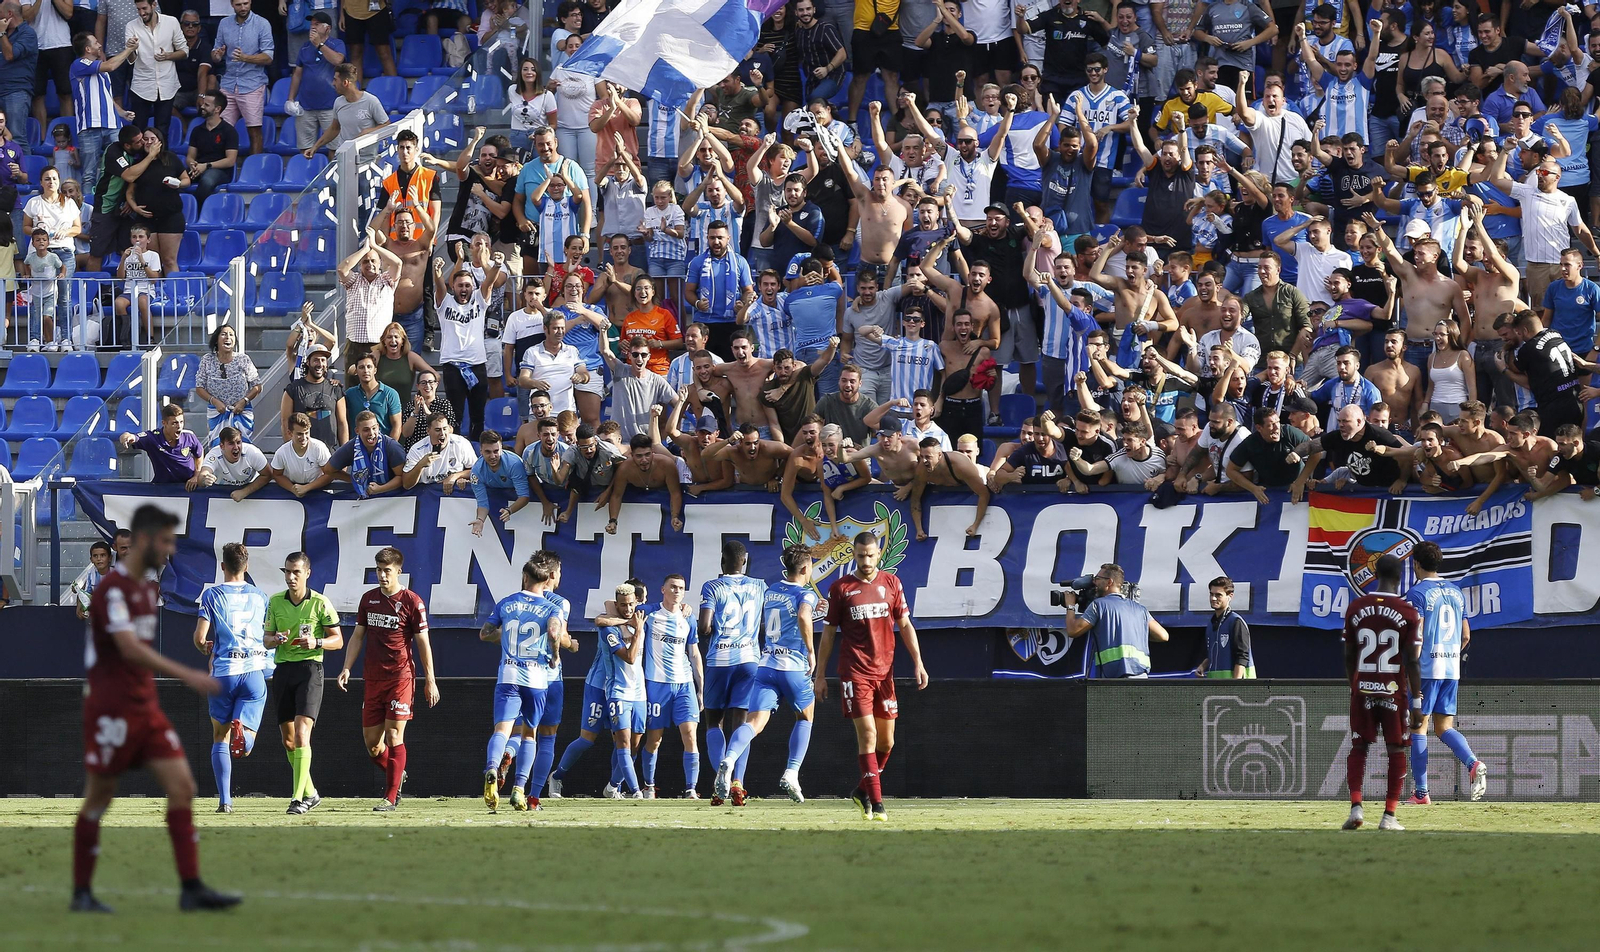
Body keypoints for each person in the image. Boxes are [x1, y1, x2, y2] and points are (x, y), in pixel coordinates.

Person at [72, 505, 239, 913]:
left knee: (182, 787)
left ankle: (191, 887)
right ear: (144, 541)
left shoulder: (148, 590)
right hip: (110, 709)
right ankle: (82, 892)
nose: (170, 549)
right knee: (99, 798)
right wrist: (189, 674)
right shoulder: (112, 589)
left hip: (144, 708)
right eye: (165, 540)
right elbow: (127, 648)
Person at [817, 532, 928, 821]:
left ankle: (863, 791)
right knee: (868, 736)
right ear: (853, 554)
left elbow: (904, 625)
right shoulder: (841, 588)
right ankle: (877, 805)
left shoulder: (892, 584)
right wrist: (820, 674)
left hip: (885, 674)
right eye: (860, 555)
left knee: (887, 743)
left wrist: (918, 662)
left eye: (870, 555)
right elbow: (828, 634)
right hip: (855, 672)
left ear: (878, 553)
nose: (865, 561)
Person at [714, 543, 818, 805]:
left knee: (754, 723)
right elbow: (804, 616)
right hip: (793, 667)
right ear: (806, 567)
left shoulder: (771, 591)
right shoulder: (806, 593)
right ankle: (792, 772)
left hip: (766, 665)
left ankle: (728, 759)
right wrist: (810, 650)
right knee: (805, 716)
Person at [337, 546, 438, 812]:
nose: (382, 576)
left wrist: (430, 679)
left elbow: (423, 643)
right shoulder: (368, 599)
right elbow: (358, 636)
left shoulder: (412, 601)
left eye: (387, 571)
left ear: (398, 571)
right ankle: (398, 773)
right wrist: (347, 667)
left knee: (394, 735)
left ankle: (390, 796)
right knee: (373, 746)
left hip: (400, 678)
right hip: (373, 679)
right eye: (379, 570)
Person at [479, 555, 569, 813]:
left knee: (503, 730)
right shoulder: (553, 607)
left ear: (524, 577)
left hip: (509, 676)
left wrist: (504, 636)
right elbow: (554, 633)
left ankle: (492, 768)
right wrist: (555, 656)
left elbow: (485, 633)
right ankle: (520, 790)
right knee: (530, 735)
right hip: (537, 679)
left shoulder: (507, 603)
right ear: (546, 580)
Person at [1339, 553, 1423, 832]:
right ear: (1401, 577)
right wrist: (1418, 700)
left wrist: (1355, 685)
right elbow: (1412, 659)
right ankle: (1389, 816)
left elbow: (1349, 654)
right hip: (1392, 691)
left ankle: (1356, 808)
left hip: (1362, 688)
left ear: (1374, 573)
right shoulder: (1408, 612)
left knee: (1359, 746)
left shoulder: (1356, 607)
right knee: (1396, 748)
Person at [1403, 541, 1488, 806]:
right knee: (1444, 727)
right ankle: (1473, 763)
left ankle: (1421, 793)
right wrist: (1449, 655)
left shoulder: (1417, 594)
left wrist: (1411, 671)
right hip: (1451, 669)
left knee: (1419, 726)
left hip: (1426, 670)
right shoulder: (1455, 592)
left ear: (1416, 563)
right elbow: (1466, 635)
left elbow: (1415, 638)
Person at [262, 551, 341, 816]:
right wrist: (277, 640)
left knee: (302, 732)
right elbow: (266, 640)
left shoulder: (320, 603)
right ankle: (311, 793)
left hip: (310, 669)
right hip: (283, 670)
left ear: (307, 573)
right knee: (288, 741)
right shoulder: (275, 602)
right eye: (287, 571)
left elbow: (338, 640)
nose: (291, 577)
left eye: (296, 572)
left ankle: (297, 799)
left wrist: (316, 642)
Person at [192, 543, 268, 814]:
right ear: (246, 568)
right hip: (253, 672)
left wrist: (206, 647)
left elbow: (200, 639)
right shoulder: (261, 596)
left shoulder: (211, 595)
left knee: (219, 737)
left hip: (223, 673)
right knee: (244, 745)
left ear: (222, 566)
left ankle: (225, 801)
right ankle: (244, 736)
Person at [698, 540, 767, 806]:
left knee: (714, 723)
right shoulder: (760, 585)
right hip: (749, 659)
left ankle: (719, 784)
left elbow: (704, 627)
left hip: (720, 659)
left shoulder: (713, 586)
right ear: (745, 561)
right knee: (742, 725)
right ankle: (738, 783)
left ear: (722, 561)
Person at [637, 574, 702, 798]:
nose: (676, 591)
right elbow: (614, 607)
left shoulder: (689, 618)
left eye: (681, 588)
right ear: (663, 589)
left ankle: (691, 789)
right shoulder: (649, 612)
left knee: (690, 734)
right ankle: (649, 785)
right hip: (657, 684)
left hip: (684, 685)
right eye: (672, 587)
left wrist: (700, 688)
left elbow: (694, 653)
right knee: (654, 739)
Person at [432, 254, 506, 442]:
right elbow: (440, 288)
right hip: (453, 366)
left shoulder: (479, 301)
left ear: (472, 287)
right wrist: (437, 273)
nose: (464, 289)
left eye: (467, 285)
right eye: (460, 285)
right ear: (453, 287)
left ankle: (478, 451)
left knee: (477, 414)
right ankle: (455, 449)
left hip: (477, 365)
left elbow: (489, 283)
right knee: (454, 414)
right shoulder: (445, 302)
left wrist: (497, 265)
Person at [1064, 562, 1170, 678]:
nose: (1094, 582)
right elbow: (1163, 635)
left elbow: (1073, 630)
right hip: (1141, 678)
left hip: (1113, 679)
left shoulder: (1098, 605)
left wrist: (1070, 606)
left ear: (1109, 582)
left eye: (1098, 579)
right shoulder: (1140, 609)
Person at [212, 0, 273, 156]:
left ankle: (254, 171)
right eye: (239, 4)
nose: (243, 7)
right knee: (221, 129)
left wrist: (246, 58)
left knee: (254, 130)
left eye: (246, 3)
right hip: (228, 83)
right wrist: (217, 56)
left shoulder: (262, 23)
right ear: (232, 4)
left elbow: (268, 57)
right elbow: (216, 52)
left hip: (252, 82)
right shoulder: (224, 23)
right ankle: (222, 170)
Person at [287, 13, 345, 153]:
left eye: (317, 24)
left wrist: (320, 45)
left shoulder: (337, 44)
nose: (312, 27)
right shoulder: (305, 48)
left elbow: (338, 60)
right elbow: (297, 74)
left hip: (330, 105)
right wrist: (290, 99)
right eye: (312, 24)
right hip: (306, 106)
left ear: (327, 28)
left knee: (335, 148)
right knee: (305, 147)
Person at [303, 61, 388, 155]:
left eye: (335, 80)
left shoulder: (371, 101)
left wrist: (368, 131)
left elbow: (386, 125)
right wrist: (315, 147)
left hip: (366, 158)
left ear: (345, 83)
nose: (333, 83)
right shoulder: (338, 102)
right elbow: (334, 129)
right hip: (344, 156)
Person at [117, 403, 203, 484]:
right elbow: (133, 436)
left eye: (181, 422)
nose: (179, 426)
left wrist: (196, 475)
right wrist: (126, 437)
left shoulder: (188, 436)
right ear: (164, 423)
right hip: (163, 488)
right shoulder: (153, 438)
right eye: (174, 423)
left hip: (188, 486)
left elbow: (199, 453)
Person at [401, 411, 477, 491]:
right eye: (437, 430)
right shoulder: (417, 449)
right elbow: (406, 484)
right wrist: (420, 465)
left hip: (452, 495)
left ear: (450, 428)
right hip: (426, 495)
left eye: (445, 429)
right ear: (428, 431)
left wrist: (456, 476)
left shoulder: (461, 443)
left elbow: (477, 471)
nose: (442, 433)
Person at [1196, 575, 1253, 678]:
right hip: (1217, 686)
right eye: (1211, 594)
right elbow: (1213, 654)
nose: (1213, 598)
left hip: (1236, 688)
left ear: (1230, 596)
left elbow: (1242, 656)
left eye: (1218, 595)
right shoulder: (1211, 623)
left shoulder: (1236, 621)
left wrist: (1234, 685)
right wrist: (1202, 666)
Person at [190, 425, 267, 492]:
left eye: (238, 442)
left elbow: (268, 475)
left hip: (251, 493)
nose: (236, 447)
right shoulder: (214, 454)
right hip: (222, 494)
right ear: (222, 446)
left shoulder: (252, 452)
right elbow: (202, 475)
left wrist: (244, 492)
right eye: (231, 443)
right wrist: (204, 479)